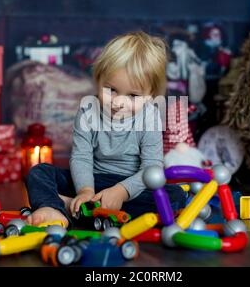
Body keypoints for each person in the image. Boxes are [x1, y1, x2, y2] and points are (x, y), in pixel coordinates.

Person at [25, 31, 187, 228]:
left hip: (130, 187)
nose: (119, 102)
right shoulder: (88, 111)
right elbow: (81, 157)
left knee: (175, 196)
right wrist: (85, 191)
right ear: (99, 80)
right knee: (39, 172)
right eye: (111, 90)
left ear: (150, 95)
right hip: (92, 182)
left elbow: (150, 167)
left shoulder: (150, 117)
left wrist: (121, 191)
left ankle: (73, 207)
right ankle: (54, 207)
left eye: (133, 96)